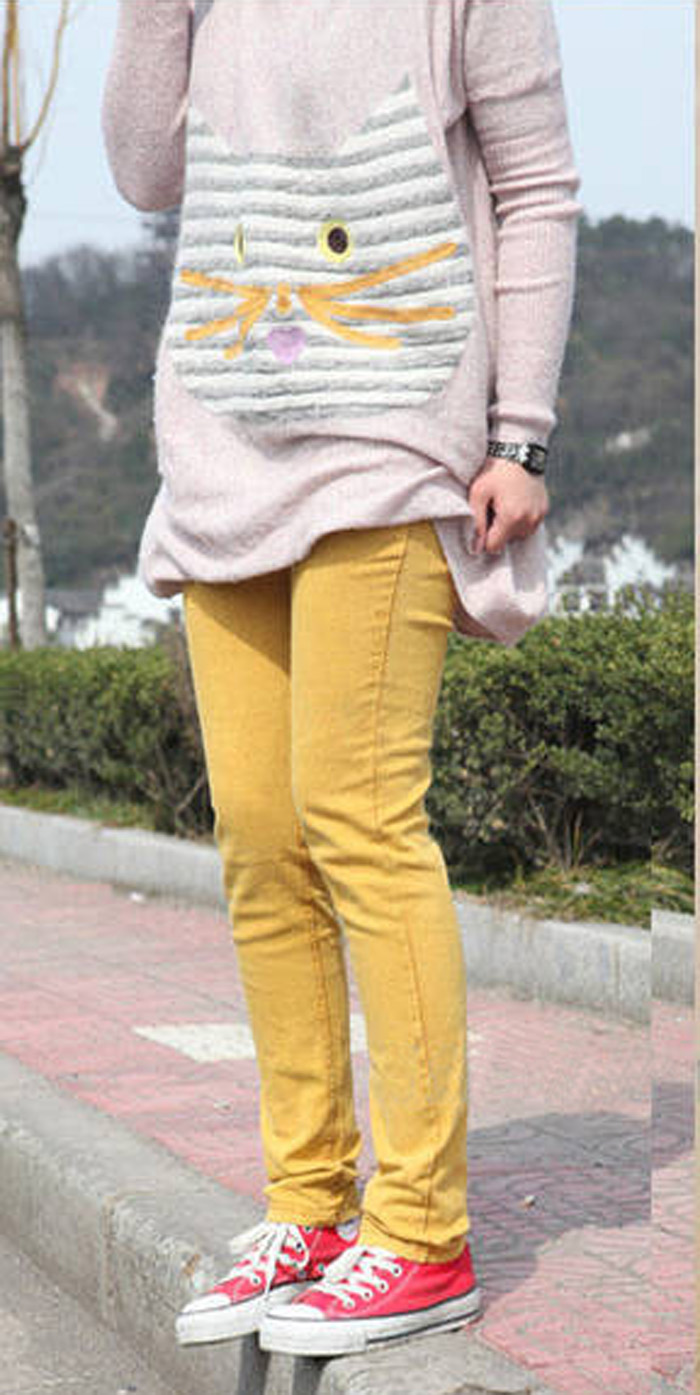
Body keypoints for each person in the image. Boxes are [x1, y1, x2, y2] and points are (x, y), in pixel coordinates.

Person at [102, 0, 581, 1360]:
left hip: (392, 438)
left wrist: (520, 437)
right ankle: (311, 1208)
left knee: (358, 817)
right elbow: (143, 172)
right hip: (225, 445)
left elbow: (538, 188)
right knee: (261, 838)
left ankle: (422, 1234)